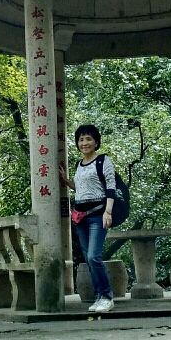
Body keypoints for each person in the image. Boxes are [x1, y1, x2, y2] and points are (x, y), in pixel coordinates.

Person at [59, 124, 116, 313]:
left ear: (96, 141)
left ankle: (107, 296)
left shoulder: (103, 161)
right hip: (80, 218)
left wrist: (108, 212)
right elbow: (82, 188)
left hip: (98, 215)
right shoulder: (78, 164)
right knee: (88, 258)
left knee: (94, 256)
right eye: (81, 139)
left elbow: (110, 186)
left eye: (89, 139)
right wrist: (67, 182)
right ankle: (99, 296)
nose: (85, 143)